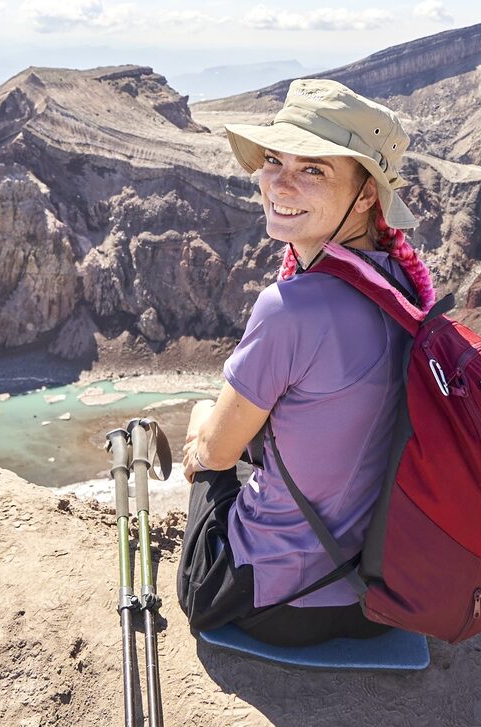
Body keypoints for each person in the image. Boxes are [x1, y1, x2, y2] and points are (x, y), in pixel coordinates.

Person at [175, 79, 438, 647]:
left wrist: (200, 432)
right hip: (371, 588)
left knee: (206, 427)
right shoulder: (401, 283)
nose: (279, 183)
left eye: (313, 169)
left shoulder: (291, 308)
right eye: (273, 160)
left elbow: (215, 456)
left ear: (367, 194)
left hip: (286, 601)